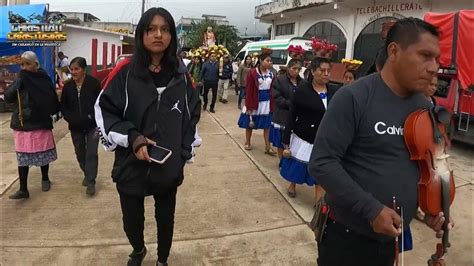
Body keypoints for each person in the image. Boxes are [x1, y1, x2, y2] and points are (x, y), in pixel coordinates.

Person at [308, 18, 453, 266]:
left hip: (390, 241)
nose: (433, 68)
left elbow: (433, 164)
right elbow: (322, 163)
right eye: (425, 56)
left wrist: (431, 210)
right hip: (346, 238)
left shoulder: (423, 106)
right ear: (394, 51)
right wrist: (371, 210)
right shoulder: (354, 97)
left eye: (437, 59)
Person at [95, 7, 201, 266]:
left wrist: (183, 152)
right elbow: (103, 110)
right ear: (141, 34)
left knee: (166, 219)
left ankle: (162, 260)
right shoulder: (125, 71)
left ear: (172, 36)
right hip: (131, 164)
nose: (158, 35)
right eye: (151, 29)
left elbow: (192, 115)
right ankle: (139, 249)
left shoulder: (181, 74)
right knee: (132, 220)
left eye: (165, 29)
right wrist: (134, 138)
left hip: (167, 165)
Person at [5, 51, 59, 199]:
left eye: (28, 64)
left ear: (36, 64)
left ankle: (45, 178)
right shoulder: (20, 79)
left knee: (43, 154)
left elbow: (51, 99)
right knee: (22, 157)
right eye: (22, 64)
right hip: (23, 123)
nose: (24, 67)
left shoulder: (43, 78)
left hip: (40, 122)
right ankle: (23, 189)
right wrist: (18, 82)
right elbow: (8, 97)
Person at [281, 58, 336, 201]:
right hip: (304, 137)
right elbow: (292, 116)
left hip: (324, 139)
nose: (326, 74)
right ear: (312, 71)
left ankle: (319, 201)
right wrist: (286, 140)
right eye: (322, 70)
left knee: (320, 171)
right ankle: (292, 184)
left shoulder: (334, 92)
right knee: (298, 166)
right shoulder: (302, 91)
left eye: (328, 71)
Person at [60, 57, 101, 196]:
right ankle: (87, 173)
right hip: (75, 127)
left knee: (91, 153)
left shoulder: (93, 84)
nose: (74, 72)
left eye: (77, 69)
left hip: (92, 126)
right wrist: (70, 118)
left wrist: (93, 117)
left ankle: (91, 181)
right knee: (80, 153)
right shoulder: (68, 86)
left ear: (84, 70)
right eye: (72, 69)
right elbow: (63, 106)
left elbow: (100, 103)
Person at [237, 49, 276, 156]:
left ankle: (268, 146)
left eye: (271, 61)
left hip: (266, 103)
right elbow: (249, 90)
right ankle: (248, 142)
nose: (270, 63)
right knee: (250, 124)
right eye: (267, 61)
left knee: (267, 125)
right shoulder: (253, 73)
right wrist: (249, 105)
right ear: (261, 60)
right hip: (254, 100)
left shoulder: (272, 74)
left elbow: (272, 90)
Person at [270, 58, 303, 160]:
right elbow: (277, 97)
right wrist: (290, 104)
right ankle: (281, 162)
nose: (296, 71)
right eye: (294, 68)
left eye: (299, 69)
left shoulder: (302, 82)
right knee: (282, 142)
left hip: (296, 116)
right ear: (288, 68)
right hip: (283, 115)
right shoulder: (280, 80)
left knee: (293, 141)